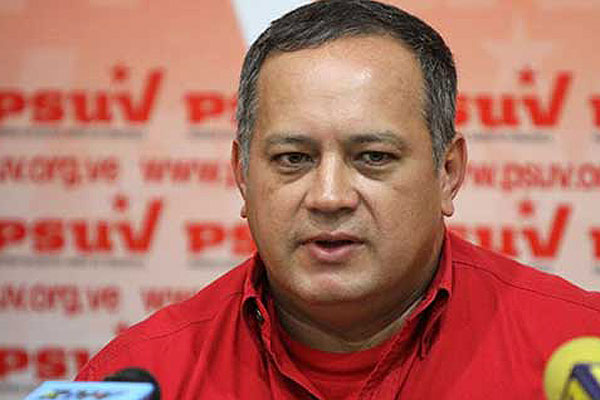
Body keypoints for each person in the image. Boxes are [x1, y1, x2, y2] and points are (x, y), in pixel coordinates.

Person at [76, 1, 600, 398]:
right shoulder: (143, 377)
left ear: (448, 173)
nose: (328, 197)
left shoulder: (578, 351)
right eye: (293, 158)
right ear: (242, 175)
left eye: (373, 157)